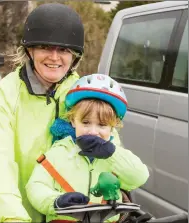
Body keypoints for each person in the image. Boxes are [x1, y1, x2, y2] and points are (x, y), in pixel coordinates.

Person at [0, 3, 84, 222]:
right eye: (45, 47)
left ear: (75, 56)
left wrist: (118, 189)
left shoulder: (85, 94)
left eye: (64, 50)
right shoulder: (5, 94)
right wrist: (9, 217)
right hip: (21, 214)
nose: (54, 57)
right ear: (30, 50)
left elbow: (109, 146)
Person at [25, 73, 149, 223]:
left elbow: (139, 177)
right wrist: (56, 201)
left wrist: (112, 154)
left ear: (113, 125)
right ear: (72, 121)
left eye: (102, 125)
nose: (93, 131)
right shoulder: (58, 153)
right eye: (85, 122)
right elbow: (36, 186)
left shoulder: (116, 156)